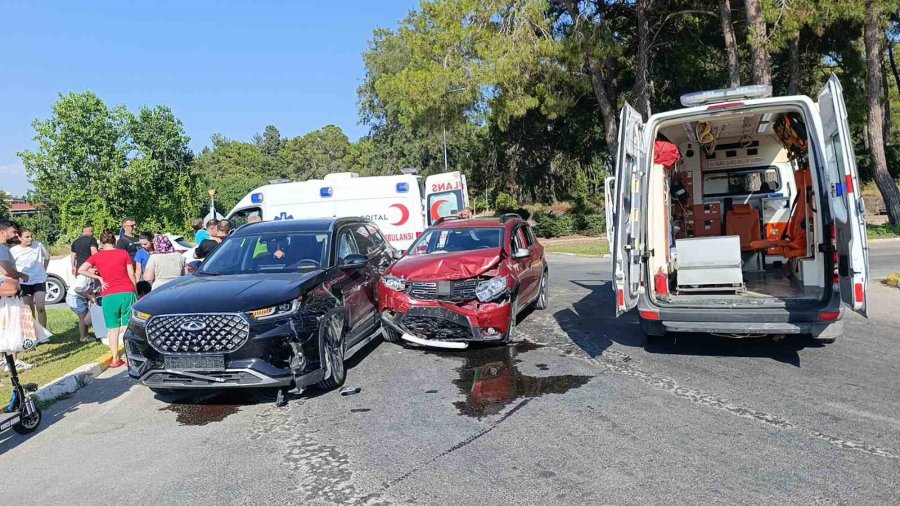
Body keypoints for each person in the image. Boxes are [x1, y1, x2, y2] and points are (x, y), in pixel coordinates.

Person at [79, 230, 136, 368]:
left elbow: (81, 269)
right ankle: (130, 358)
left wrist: (99, 277)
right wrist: (135, 290)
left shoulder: (97, 257)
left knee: (113, 328)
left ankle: (116, 358)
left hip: (109, 294)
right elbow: (131, 273)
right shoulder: (123, 253)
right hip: (127, 291)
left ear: (101, 243)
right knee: (128, 327)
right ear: (115, 242)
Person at [0, 220, 49, 372]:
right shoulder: (2, 248)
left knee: (5, 325)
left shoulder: (6, 247)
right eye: (13, 232)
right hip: (8, 294)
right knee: (13, 325)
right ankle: (13, 361)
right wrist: (21, 275)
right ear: (2, 232)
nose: (16, 235)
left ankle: (5, 359)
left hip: (7, 292)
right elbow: (6, 268)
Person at [11, 228, 50, 330]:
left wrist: (43, 270)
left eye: (31, 236)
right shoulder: (14, 251)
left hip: (39, 280)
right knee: (29, 309)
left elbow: (47, 257)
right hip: (24, 282)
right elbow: (10, 267)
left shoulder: (38, 245)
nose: (30, 239)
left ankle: (43, 333)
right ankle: (34, 332)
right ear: (19, 237)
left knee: (40, 307)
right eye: (27, 237)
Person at [66, 267, 99, 343]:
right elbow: (77, 289)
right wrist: (88, 296)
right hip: (74, 298)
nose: (96, 271)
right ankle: (83, 337)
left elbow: (90, 290)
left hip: (80, 298)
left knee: (85, 317)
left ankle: (86, 335)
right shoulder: (83, 277)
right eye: (95, 269)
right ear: (89, 269)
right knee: (83, 318)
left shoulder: (91, 278)